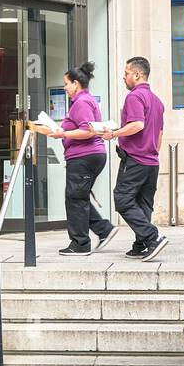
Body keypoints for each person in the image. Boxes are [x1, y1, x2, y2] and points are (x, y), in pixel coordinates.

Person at [38, 61, 117, 256]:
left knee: (74, 199)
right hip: (89, 155)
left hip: (84, 156)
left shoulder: (81, 103)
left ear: (75, 83)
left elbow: (86, 131)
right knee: (78, 197)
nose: (64, 87)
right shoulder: (86, 101)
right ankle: (104, 229)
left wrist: (62, 134)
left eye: (66, 83)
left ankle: (80, 244)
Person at [100, 57, 167, 260]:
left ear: (137, 75)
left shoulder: (135, 97)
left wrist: (114, 134)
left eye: (127, 72)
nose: (124, 76)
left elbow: (137, 124)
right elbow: (160, 133)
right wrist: (153, 153)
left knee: (122, 199)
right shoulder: (157, 101)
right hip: (151, 161)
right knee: (143, 203)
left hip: (136, 160)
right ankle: (141, 246)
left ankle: (152, 237)